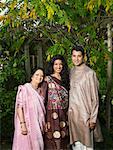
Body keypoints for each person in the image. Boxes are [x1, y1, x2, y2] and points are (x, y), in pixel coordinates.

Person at [68, 46, 103, 150]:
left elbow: (95, 98)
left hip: (85, 116)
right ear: (71, 57)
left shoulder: (90, 73)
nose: (76, 59)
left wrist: (93, 119)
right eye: (74, 56)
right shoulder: (71, 72)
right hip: (73, 116)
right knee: (76, 145)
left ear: (83, 57)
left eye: (79, 56)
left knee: (87, 146)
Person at [12, 68, 46, 150]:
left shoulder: (40, 91)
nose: (39, 77)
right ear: (32, 76)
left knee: (37, 146)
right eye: (37, 75)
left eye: (41, 75)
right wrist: (23, 124)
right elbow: (19, 107)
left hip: (37, 125)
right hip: (26, 124)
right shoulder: (25, 89)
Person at [44, 55, 69, 150]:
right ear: (52, 65)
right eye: (56, 64)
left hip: (64, 113)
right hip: (52, 113)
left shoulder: (66, 78)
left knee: (64, 138)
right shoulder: (47, 79)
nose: (58, 67)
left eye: (60, 64)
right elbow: (43, 99)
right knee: (52, 139)